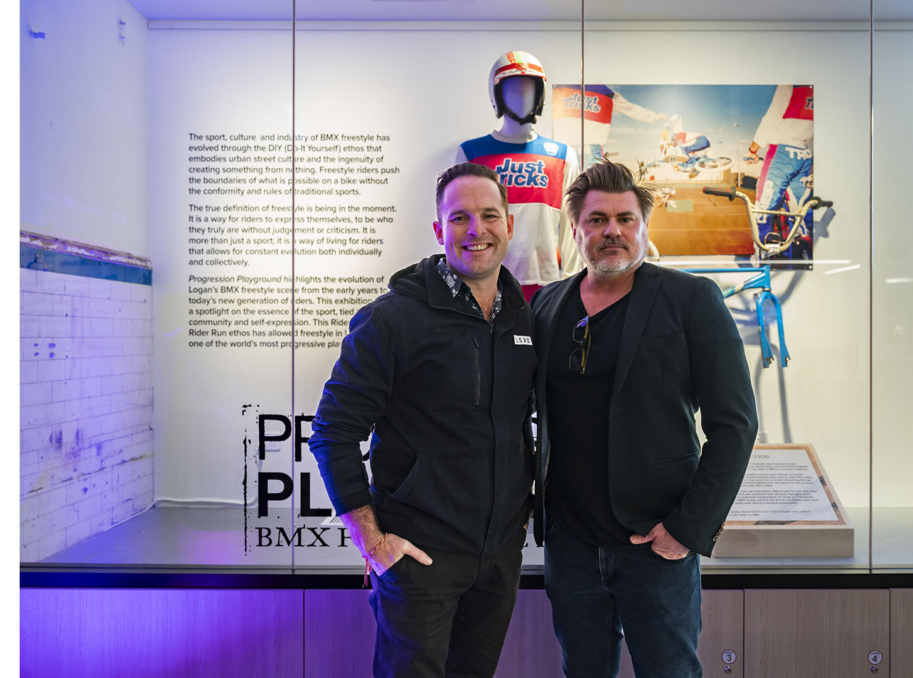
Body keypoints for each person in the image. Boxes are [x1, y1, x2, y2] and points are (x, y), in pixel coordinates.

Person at [530, 160, 758, 677]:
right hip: (571, 546)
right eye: (597, 220)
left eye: (626, 219)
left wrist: (688, 529)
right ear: (576, 230)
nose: (612, 230)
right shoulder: (547, 306)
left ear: (643, 227)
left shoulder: (689, 299)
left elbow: (735, 424)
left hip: (656, 544)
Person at [308, 163, 537, 678]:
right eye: (460, 218)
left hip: (498, 557)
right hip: (419, 557)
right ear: (439, 231)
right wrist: (373, 541)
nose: (476, 229)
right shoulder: (392, 320)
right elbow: (333, 431)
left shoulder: (521, 317)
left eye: (488, 215)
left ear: (509, 225)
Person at [457, 51, 582, 300]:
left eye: (530, 89)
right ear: (497, 95)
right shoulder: (472, 152)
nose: (523, 96)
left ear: (540, 95)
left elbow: (571, 225)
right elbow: (459, 222)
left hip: (548, 281)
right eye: (513, 89)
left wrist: (572, 283)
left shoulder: (562, 154)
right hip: (489, 280)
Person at [748, 84, 815, 260]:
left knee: (763, 209)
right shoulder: (815, 86)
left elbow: (772, 118)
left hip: (782, 153)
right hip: (805, 153)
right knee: (800, 211)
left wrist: (753, 148)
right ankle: (803, 250)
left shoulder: (788, 82)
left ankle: (761, 256)